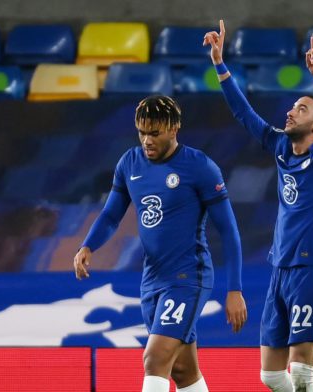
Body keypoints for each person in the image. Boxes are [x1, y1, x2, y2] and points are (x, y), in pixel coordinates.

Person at [204, 20, 313, 392]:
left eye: (301, 109)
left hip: (310, 268)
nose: (290, 112)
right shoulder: (281, 147)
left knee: (301, 373)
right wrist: (220, 63)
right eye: (293, 107)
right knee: (270, 376)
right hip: (279, 268)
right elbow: (243, 114)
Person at [73, 94, 248, 392]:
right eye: (142, 132)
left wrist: (235, 290)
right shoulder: (130, 163)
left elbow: (229, 231)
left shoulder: (200, 167)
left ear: (174, 129)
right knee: (183, 371)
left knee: (155, 358)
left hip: (188, 277)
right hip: (151, 280)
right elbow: (112, 215)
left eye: (154, 133)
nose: (147, 140)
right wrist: (88, 245)